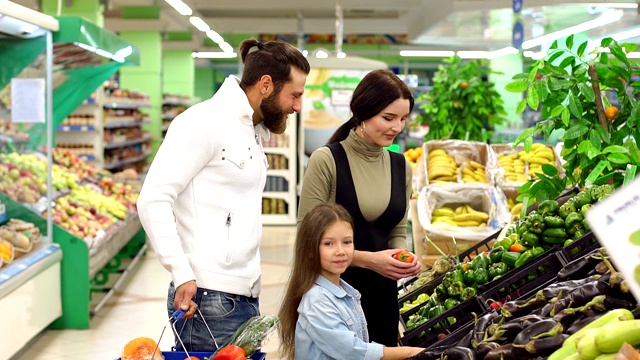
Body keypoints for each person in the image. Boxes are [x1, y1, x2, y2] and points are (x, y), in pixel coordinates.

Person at [136, 38, 310, 351]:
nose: (297, 106)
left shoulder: (251, 129)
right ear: (266, 85)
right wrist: (181, 271)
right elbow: (152, 199)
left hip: (241, 298)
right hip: (207, 299)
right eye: (294, 95)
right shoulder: (203, 122)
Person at [297, 69, 422, 347]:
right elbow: (307, 239)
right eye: (388, 118)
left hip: (383, 296)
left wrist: (403, 258)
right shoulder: (327, 160)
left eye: (403, 119)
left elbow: (397, 228)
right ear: (362, 112)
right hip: (333, 298)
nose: (397, 127)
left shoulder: (401, 167)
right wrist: (370, 260)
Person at [279, 203, 425, 360]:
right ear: (310, 251)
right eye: (329, 243)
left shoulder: (346, 292)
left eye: (347, 242)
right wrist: (413, 352)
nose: (340, 251)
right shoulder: (318, 302)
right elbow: (355, 353)